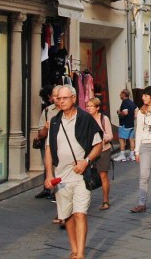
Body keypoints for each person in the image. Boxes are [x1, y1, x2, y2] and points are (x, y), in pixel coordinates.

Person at [44, 84, 103, 259]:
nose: (61, 101)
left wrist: (86, 162)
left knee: (80, 213)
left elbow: (98, 144)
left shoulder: (85, 119)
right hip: (60, 177)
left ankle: (81, 254)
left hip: (80, 175)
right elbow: (48, 149)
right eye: (58, 98)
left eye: (64, 98)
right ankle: (74, 249)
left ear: (74, 98)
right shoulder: (54, 121)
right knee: (67, 215)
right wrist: (48, 174)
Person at [85, 98, 113, 210]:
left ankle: (106, 200)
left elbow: (110, 135)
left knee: (103, 175)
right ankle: (85, 201)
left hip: (103, 149)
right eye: (87, 106)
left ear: (97, 108)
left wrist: (102, 139)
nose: (88, 108)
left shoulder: (103, 118)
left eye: (91, 106)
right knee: (86, 176)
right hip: (89, 151)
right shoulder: (85, 119)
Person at [33, 87, 60, 201]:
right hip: (49, 144)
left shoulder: (73, 111)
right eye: (55, 96)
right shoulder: (48, 111)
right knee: (48, 166)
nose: (58, 99)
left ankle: (58, 192)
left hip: (64, 147)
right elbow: (41, 133)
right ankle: (48, 189)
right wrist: (46, 127)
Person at [113, 89, 137, 162]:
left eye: (120, 94)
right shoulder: (131, 102)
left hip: (124, 124)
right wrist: (133, 117)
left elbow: (125, 112)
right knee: (131, 139)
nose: (120, 95)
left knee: (121, 139)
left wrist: (119, 112)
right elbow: (136, 110)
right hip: (131, 124)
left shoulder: (124, 103)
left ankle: (122, 155)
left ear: (124, 94)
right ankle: (132, 155)